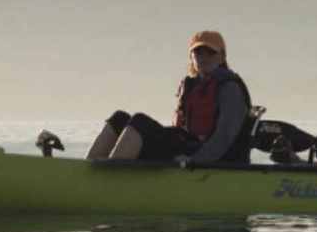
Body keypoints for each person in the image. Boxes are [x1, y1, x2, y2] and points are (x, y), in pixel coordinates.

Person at [80, 31, 256, 165]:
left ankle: (109, 182)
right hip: (185, 146)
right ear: (191, 57)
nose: (204, 57)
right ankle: (85, 172)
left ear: (222, 57)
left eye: (210, 52)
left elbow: (224, 136)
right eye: (198, 52)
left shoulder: (229, 88)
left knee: (140, 122)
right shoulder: (193, 86)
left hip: (205, 158)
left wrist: (193, 160)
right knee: (119, 119)